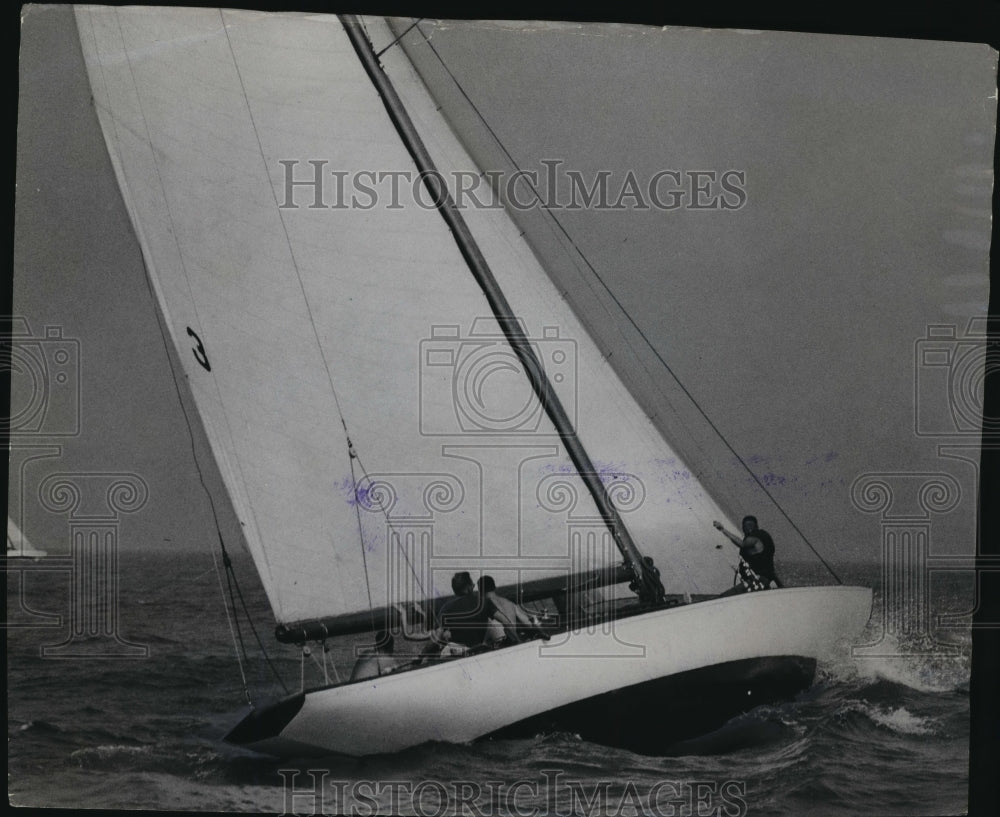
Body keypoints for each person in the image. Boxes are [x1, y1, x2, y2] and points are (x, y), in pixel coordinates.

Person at [712, 516, 784, 593]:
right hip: (762, 581)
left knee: (725, 597)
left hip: (759, 582)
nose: (747, 528)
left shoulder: (758, 536)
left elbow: (742, 544)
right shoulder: (763, 539)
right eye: (746, 526)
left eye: (749, 525)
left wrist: (723, 530)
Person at [477, 575, 550, 646]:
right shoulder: (509, 602)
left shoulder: (484, 605)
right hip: (514, 639)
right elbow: (526, 622)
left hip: (502, 642)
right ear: (494, 587)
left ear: (480, 591)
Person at [435, 571, 490, 649]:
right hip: (479, 647)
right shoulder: (483, 601)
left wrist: (421, 657)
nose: (474, 585)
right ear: (468, 587)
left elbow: (437, 637)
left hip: (459, 651)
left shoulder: (447, 608)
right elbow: (504, 620)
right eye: (472, 584)